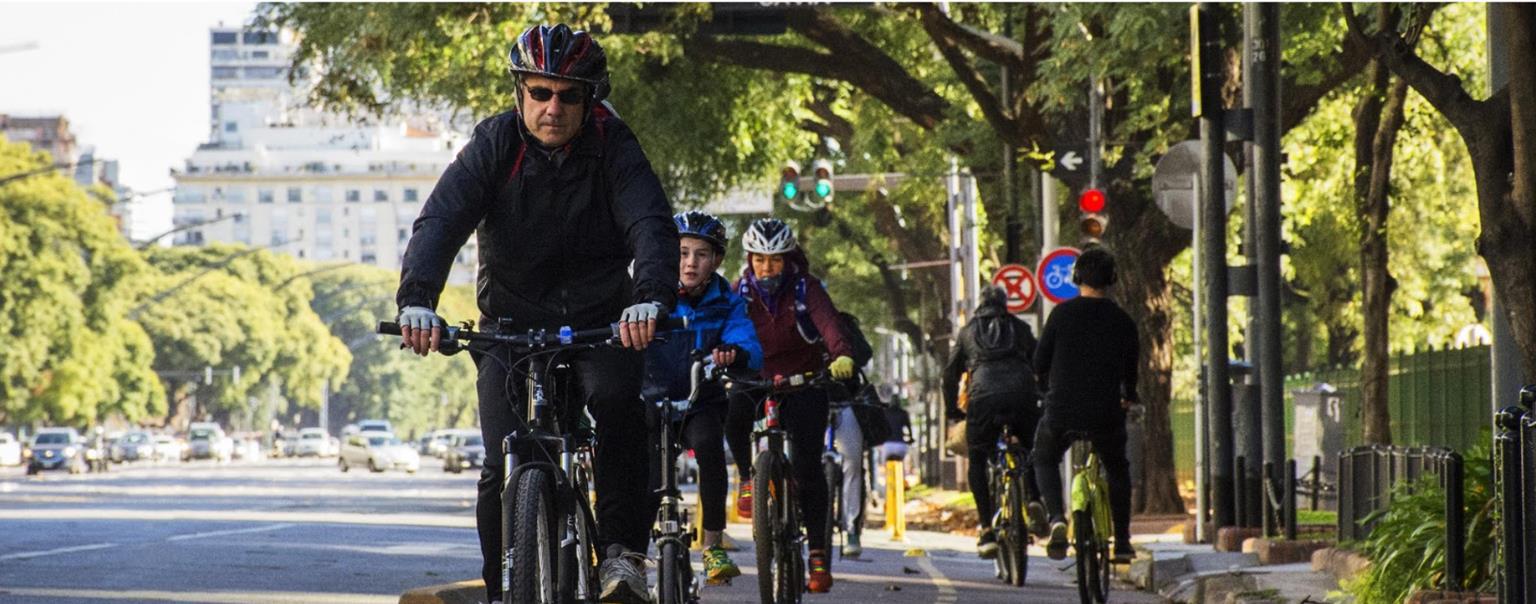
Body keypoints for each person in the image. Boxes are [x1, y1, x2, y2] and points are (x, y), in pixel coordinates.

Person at [393, 24, 678, 604]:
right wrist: (417, 300)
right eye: (540, 93)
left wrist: (651, 296)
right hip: (509, 328)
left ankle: (623, 554)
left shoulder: (615, 145)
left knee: (619, 407)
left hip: (604, 322)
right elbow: (441, 221)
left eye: (568, 95)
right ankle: (504, 590)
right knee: (502, 463)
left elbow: (649, 222)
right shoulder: (495, 144)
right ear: (520, 92)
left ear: (590, 98)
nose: (553, 108)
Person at [726, 217, 857, 593]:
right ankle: (749, 480)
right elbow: (726, 328)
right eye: (760, 260)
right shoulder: (741, 292)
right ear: (749, 259)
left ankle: (817, 554)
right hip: (756, 379)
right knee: (734, 415)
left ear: (788, 259)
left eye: (775, 260)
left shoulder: (806, 289)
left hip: (804, 382)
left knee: (806, 467)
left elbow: (829, 324)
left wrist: (840, 355)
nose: (767, 268)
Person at [640, 210, 762, 583]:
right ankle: (630, 552)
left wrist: (733, 353)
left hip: (700, 400)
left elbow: (748, 343)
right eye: (682, 252)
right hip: (650, 398)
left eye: (701, 255)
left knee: (710, 449)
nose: (690, 262)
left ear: (716, 261)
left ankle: (712, 546)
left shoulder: (727, 300)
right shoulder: (648, 291)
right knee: (641, 471)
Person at [1031, 247, 1140, 563]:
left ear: (1076, 277)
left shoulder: (1061, 314)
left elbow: (1040, 361)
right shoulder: (1122, 321)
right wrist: (1128, 396)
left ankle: (1056, 518)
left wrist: (1045, 389)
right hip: (1106, 412)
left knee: (1044, 457)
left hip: (1061, 410)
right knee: (1118, 468)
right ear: (1112, 279)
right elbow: (1130, 369)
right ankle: (1121, 541)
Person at [943, 285, 1044, 559]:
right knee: (1032, 446)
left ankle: (987, 530)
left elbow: (950, 375)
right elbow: (1040, 363)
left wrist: (953, 410)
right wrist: (1042, 396)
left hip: (983, 398)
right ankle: (1034, 498)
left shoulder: (967, 332)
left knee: (977, 457)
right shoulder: (1019, 328)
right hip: (1022, 394)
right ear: (1004, 304)